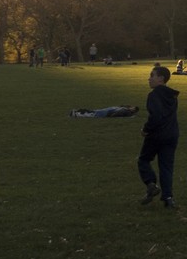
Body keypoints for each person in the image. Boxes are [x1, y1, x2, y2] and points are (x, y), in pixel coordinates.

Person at [137, 66, 180, 208]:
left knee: (143, 160)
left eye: (152, 75)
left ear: (161, 78)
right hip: (172, 134)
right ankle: (168, 198)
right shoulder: (172, 95)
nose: (149, 78)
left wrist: (146, 129)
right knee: (166, 167)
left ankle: (151, 184)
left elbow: (156, 116)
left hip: (157, 135)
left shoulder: (154, 95)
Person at [71, 105, 139, 118]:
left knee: (93, 114)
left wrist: (111, 115)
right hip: (109, 110)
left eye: (133, 109)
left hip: (108, 112)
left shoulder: (127, 112)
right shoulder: (126, 108)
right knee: (93, 112)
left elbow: (117, 114)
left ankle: (77, 114)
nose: (132, 108)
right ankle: (78, 112)